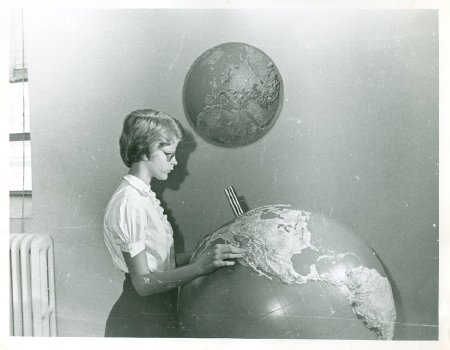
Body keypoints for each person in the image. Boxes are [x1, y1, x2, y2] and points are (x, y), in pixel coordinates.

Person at [103, 109, 245, 337]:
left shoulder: (143, 196)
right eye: (169, 154)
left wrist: (204, 253)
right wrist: (199, 267)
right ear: (145, 151)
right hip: (140, 322)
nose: (176, 161)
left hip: (159, 312)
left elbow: (160, 263)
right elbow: (143, 283)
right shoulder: (129, 202)